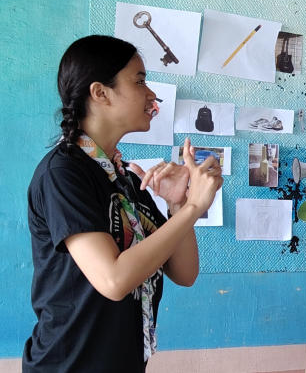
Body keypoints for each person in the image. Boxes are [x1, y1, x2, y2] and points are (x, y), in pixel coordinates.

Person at [23, 35, 223, 372]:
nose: (151, 94)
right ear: (100, 93)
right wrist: (193, 209)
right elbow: (113, 280)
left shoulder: (125, 179)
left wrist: (178, 205)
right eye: (140, 81)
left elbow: (185, 273)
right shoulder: (64, 173)